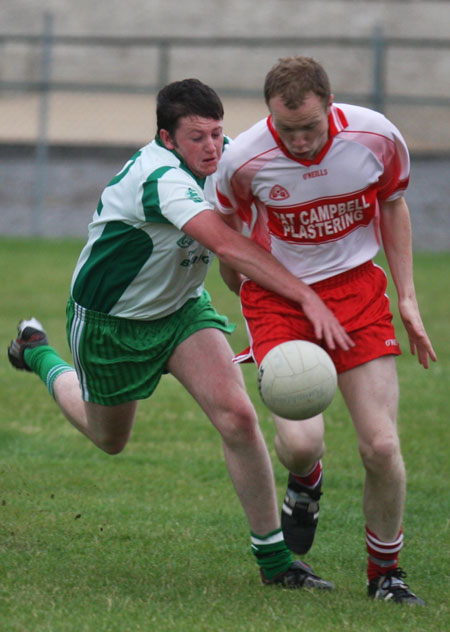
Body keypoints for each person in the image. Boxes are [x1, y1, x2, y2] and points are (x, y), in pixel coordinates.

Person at [7, 78, 353, 590]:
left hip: (183, 310)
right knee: (110, 439)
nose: (212, 147)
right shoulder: (160, 177)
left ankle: (276, 564)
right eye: (197, 137)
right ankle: (37, 352)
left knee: (237, 417)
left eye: (217, 133)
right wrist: (305, 296)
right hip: (111, 323)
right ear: (167, 138)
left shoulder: (227, 157)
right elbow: (225, 245)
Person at [215, 57, 437, 605]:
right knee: (299, 440)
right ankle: (306, 478)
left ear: (330, 107)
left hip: (357, 294)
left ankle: (385, 573)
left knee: (381, 446)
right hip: (279, 301)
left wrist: (406, 297)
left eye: (310, 127)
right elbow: (227, 236)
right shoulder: (243, 159)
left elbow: (393, 205)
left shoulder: (375, 136)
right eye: (286, 130)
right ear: (271, 117)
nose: (300, 141)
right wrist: (253, 294)